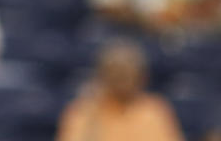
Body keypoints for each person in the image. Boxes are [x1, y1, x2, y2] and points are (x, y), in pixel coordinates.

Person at [56, 39, 184, 141]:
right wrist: (92, 111)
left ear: (142, 76)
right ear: (102, 75)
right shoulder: (82, 111)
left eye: (127, 72)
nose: (122, 79)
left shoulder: (155, 110)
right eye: (115, 72)